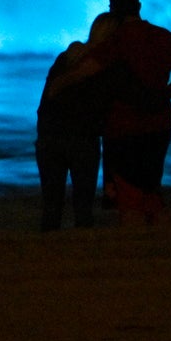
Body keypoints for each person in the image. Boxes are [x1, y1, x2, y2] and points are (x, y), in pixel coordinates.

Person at [49, 0, 171, 226]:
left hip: (123, 128)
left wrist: (59, 84)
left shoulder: (117, 40)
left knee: (128, 197)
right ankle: (162, 244)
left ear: (112, 7)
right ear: (138, 5)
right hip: (160, 125)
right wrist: (168, 93)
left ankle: (135, 246)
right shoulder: (163, 36)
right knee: (151, 190)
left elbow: (87, 70)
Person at [34, 12, 122, 231]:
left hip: (50, 136)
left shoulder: (67, 56)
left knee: (51, 207)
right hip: (82, 139)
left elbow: (47, 100)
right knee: (83, 209)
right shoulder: (105, 66)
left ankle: (48, 255)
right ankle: (82, 257)